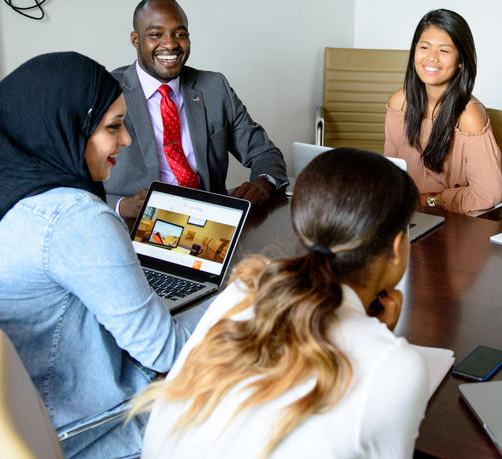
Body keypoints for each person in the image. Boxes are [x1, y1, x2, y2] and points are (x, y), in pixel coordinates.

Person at [0, 52, 207, 458]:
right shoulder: (73, 217)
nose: (125, 140)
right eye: (113, 127)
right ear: (67, 128)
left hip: (7, 427)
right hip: (85, 429)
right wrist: (238, 301)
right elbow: (166, 352)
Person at [133, 148, 430, 458]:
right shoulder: (395, 367)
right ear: (397, 246)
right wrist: (382, 341)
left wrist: (371, 332)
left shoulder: (240, 293)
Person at [105, 0, 288, 219]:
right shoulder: (105, 93)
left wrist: (264, 182)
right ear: (136, 40)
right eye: (155, 34)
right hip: (134, 226)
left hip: (208, 224)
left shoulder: (214, 88)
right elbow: (72, 182)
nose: (171, 44)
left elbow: (264, 152)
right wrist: (124, 206)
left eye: (179, 34)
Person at [385, 8, 502, 214]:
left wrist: (427, 201)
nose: (431, 58)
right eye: (424, 47)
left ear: (460, 60)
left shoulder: (468, 116)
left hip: (449, 219)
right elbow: (391, 172)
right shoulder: (400, 102)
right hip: (405, 214)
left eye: (444, 50)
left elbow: (487, 194)